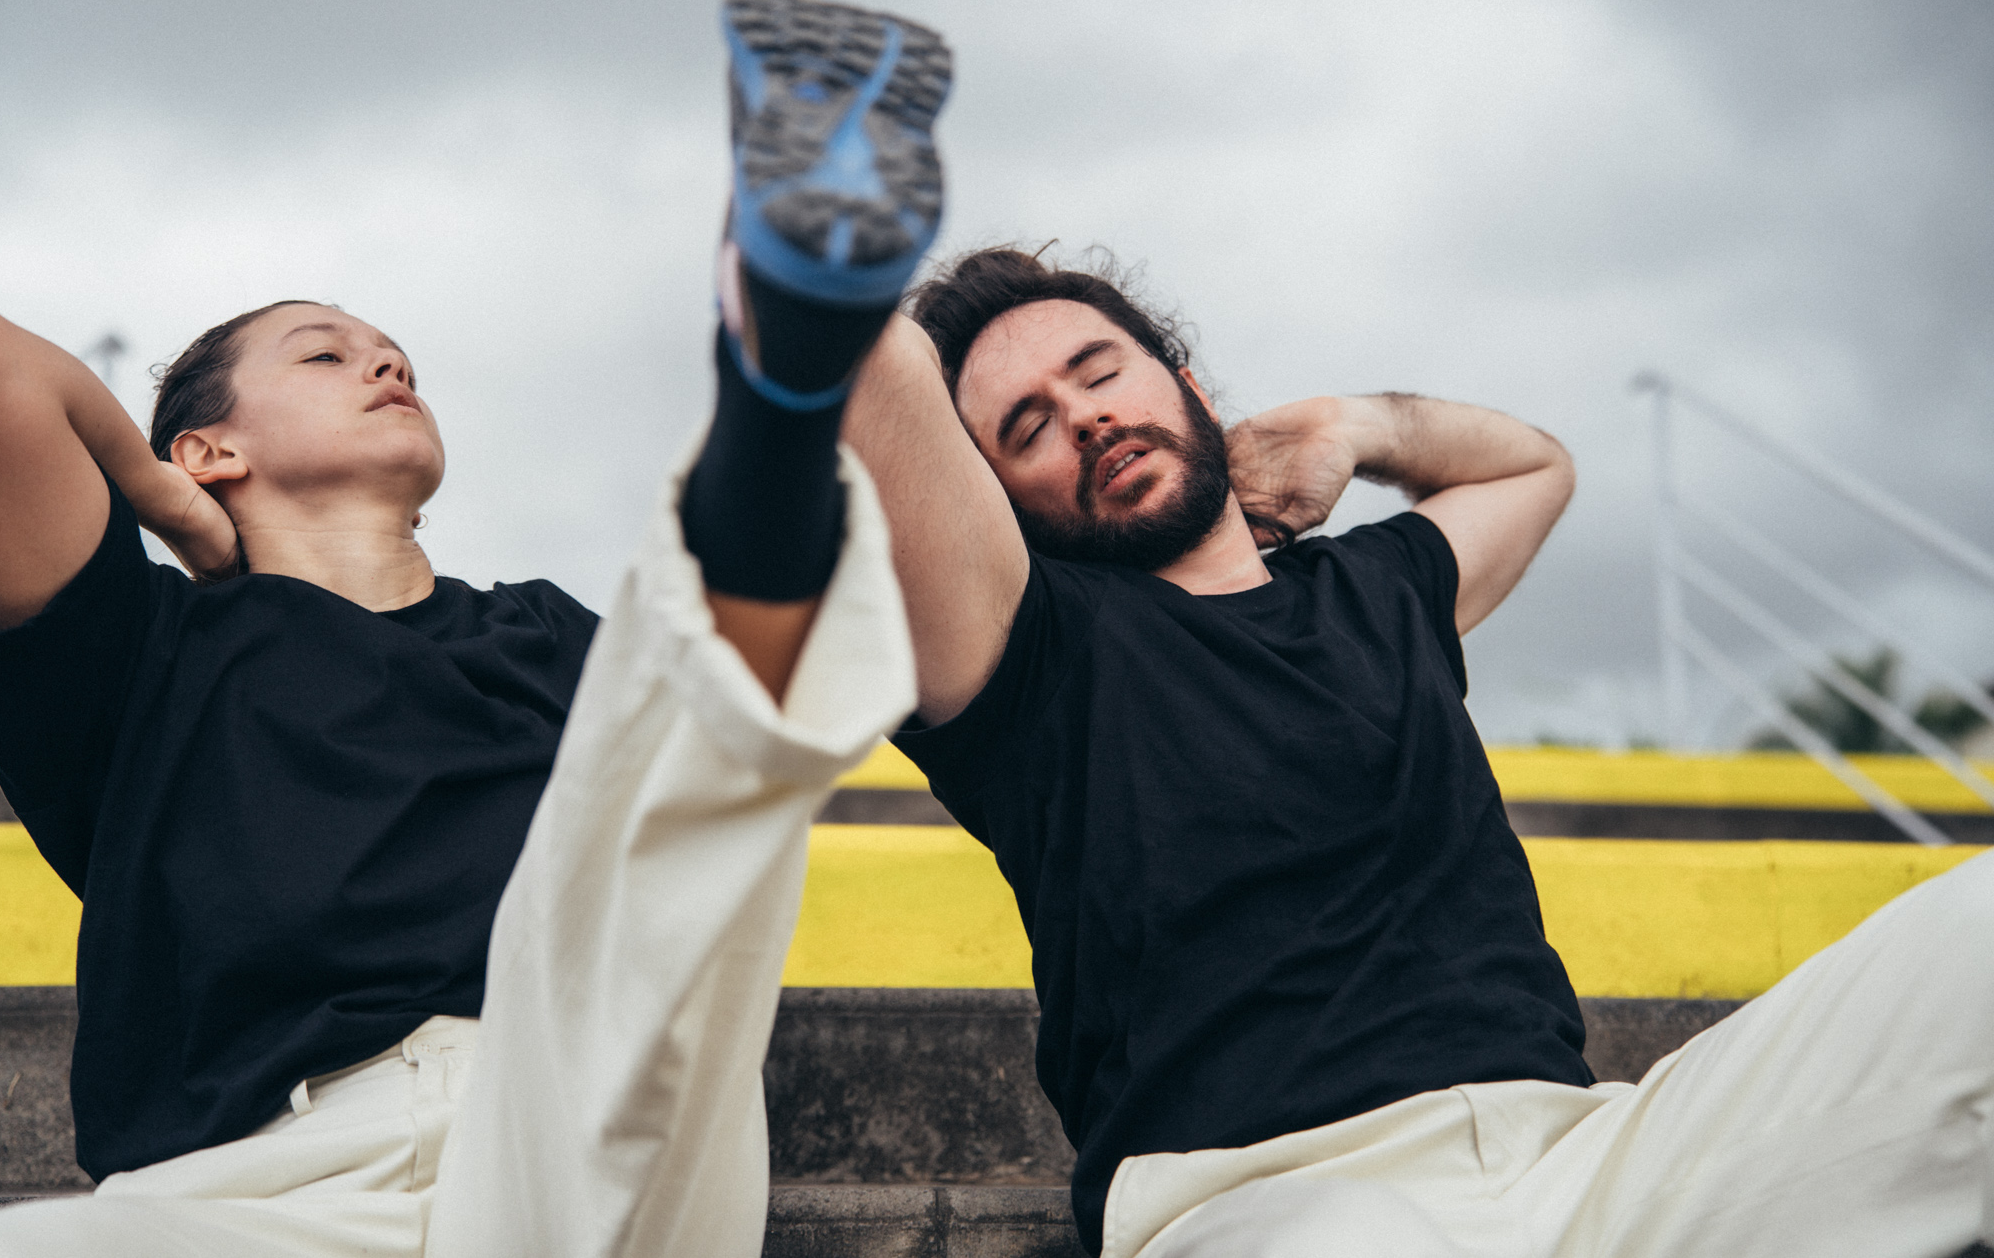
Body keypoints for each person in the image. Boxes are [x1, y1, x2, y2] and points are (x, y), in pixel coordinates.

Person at [0, 0, 947, 1258]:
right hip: (250, 1190)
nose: (386, 365)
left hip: (578, 1132)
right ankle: (779, 384)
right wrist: (157, 498)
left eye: (395, 357)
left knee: (679, 716)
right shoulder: (137, 653)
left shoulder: (543, 634)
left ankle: (784, 366)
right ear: (210, 448)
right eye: (324, 355)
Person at [842, 250, 1994, 1258]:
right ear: (991, 502)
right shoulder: (1025, 655)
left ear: (1186, 386)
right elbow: (867, 372)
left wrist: (1357, 427)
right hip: (1273, 1196)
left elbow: (1536, 469)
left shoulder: (1378, 588)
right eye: (1026, 428)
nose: (1083, 417)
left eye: (1098, 372)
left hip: (1582, 1162)